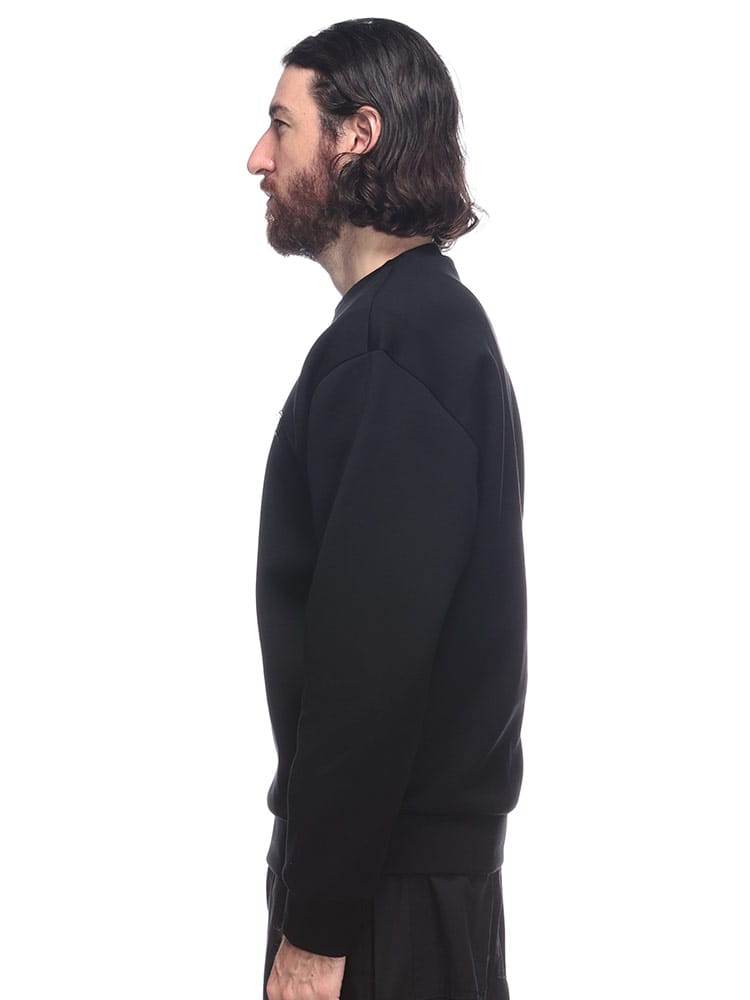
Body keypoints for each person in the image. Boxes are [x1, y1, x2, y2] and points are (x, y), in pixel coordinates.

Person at [247, 18, 527, 1000]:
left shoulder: (395, 346)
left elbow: (370, 669)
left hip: (383, 905)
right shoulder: (418, 331)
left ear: (356, 135)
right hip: (404, 888)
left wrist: (317, 930)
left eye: (282, 125)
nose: (257, 157)